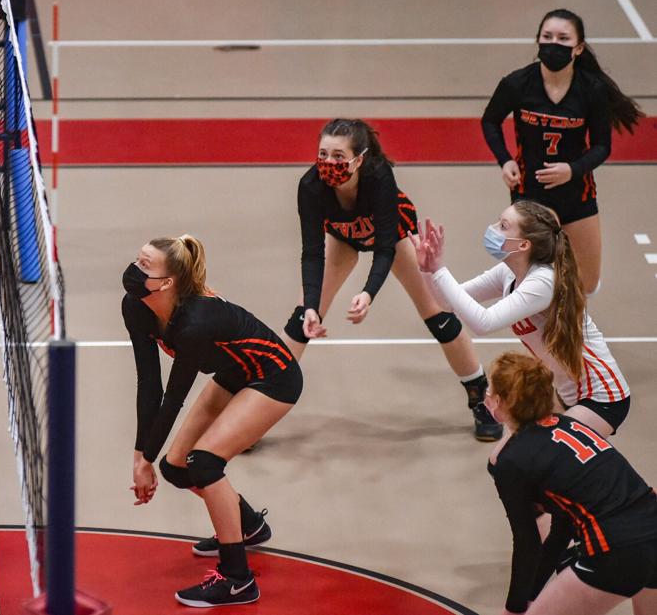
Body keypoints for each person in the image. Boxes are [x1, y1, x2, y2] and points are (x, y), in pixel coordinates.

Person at [283, 118, 501, 440]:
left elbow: (385, 248)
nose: (329, 163)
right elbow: (312, 253)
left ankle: (480, 399)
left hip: (396, 237)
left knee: (438, 316)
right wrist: (313, 305)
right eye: (323, 154)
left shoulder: (378, 176)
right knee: (302, 318)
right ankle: (260, 399)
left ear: (359, 159)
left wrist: (368, 293)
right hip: (343, 239)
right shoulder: (311, 186)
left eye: (339, 156)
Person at [124, 235, 302, 607]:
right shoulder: (136, 306)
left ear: (167, 283)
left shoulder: (195, 323)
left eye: (145, 266)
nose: (134, 270)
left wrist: (145, 460)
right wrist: (142, 457)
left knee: (204, 463)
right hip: (235, 372)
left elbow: (173, 398)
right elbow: (149, 384)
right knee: (176, 468)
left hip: (274, 376)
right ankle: (249, 526)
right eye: (137, 260)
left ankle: (237, 580)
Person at [414, 200, 630, 437]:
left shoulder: (543, 282)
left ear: (524, 244)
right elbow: (447, 304)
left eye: (503, 226)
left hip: (601, 397)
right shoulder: (508, 272)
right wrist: (427, 269)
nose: (492, 228)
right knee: (506, 454)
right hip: (565, 395)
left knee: (543, 453)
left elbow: (483, 323)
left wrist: (439, 270)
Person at [480, 8, 643, 295]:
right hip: (529, 193)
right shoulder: (516, 84)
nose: (554, 43)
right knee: (530, 282)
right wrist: (504, 160)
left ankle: (570, 321)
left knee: (587, 283)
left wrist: (572, 170)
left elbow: (602, 146)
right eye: (547, 36)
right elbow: (490, 121)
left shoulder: (591, 90)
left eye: (563, 38)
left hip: (576, 194)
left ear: (578, 48)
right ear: (538, 40)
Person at [484, 352, 657, 615]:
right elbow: (562, 529)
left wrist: (515, 608)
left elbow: (527, 542)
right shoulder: (570, 425)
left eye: (490, 390)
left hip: (616, 548)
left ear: (500, 401)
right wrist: (530, 596)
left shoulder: (512, 460)